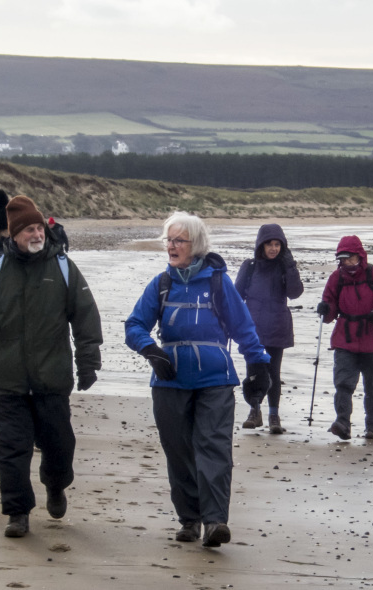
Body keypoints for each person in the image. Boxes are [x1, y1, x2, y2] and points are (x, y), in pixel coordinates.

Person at [0, 195, 103, 539]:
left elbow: (86, 316)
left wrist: (88, 362)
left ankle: (55, 486)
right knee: (11, 450)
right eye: (29, 229)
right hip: (7, 379)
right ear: (14, 235)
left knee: (59, 448)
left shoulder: (63, 268)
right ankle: (17, 513)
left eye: (39, 228)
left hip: (51, 379)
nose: (37, 234)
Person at [124, 211, 271, 548]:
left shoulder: (219, 283)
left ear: (197, 245)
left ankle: (215, 521)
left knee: (214, 447)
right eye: (169, 240)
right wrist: (151, 350)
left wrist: (258, 364)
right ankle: (189, 519)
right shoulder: (161, 284)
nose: (171, 246)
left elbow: (243, 326)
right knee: (179, 452)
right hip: (169, 380)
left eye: (179, 240)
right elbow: (134, 325)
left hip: (216, 379)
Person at [316, 235, 373, 440]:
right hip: (345, 338)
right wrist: (325, 309)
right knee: (343, 383)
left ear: (360, 256)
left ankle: (372, 428)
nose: (347, 262)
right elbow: (330, 311)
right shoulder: (336, 278)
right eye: (343, 259)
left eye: (350, 258)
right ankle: (342, 423)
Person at [234, 223, 304, 434]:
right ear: (261, 245)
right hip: (252, 330)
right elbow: (236, 296)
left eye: (277, 244)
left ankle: (274, 416)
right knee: (254, 372)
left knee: (273, 372)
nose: (273, 248)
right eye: (269, 244)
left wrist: (290, 266)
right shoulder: (250, 267)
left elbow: (295, 293)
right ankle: (254, 411)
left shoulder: (285, 267)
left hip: (277, 327)